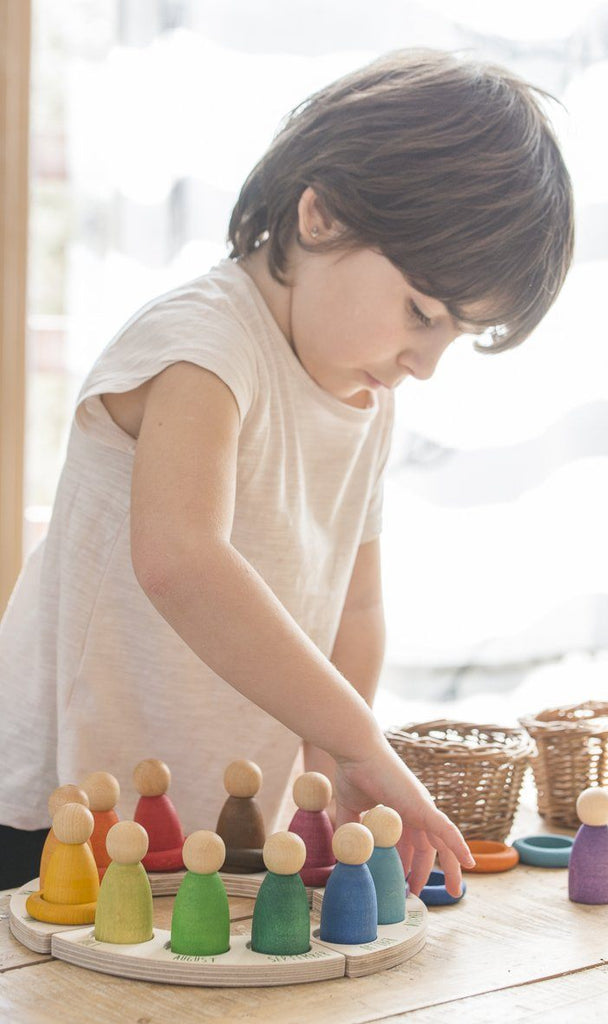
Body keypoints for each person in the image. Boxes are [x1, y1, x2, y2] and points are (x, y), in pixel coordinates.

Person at [0, 49, 574, 892]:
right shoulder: (203, 346)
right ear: (320, 217)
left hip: (209, 813)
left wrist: (331, 761)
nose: (424, 362)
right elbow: (181, 561)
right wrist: (360, 744)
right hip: (62, 807)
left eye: (457, 333)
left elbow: (357, 603)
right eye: (420, 312)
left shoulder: (365, 397)